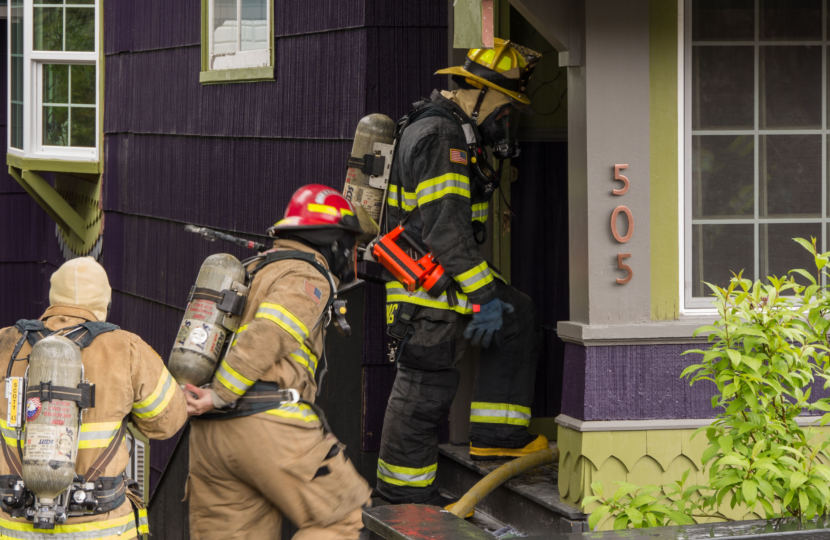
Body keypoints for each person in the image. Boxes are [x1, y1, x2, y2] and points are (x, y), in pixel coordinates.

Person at [375, 38, 549, 506]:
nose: (506, 117)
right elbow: (444, 232)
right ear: (477, 92)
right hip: (425, 293)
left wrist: (492, 299)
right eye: (505, 105)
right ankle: (403, 499)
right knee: (423, 391)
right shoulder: (441, 137)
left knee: (517, 315)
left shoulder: (450, 129)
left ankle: (499, 436)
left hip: (440, 281)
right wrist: (485, 296)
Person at [185, 184, 372, 540]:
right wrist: (221, 393)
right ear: (334, 242)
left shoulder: (255, 268)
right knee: (346, 520)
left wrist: (214, 398)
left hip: (212, 437)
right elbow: (270, 332)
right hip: (267, 425)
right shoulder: (306, 275)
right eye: (352, 246)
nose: (353, 256)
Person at [0, 256, 187, 538]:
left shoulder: (6, 343)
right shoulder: (127, 348)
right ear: (104, 303)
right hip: (101, 526)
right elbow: (166, 422)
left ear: (53, 297)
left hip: (12, 524)